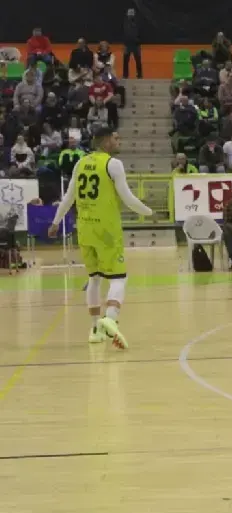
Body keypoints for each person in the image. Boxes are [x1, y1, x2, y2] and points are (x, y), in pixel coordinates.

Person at [48, 128, 153, 348]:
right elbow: (127, 197)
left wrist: (56, 222)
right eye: (116, 138)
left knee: (94, 278)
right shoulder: (112, 164)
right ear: (106, 141)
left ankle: (95, 328)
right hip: (106, 230)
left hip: (85, 228)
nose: (118, 141)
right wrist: (149, 212)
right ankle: (111, 317)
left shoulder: (81, 163)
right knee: (118, 278)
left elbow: (68, 197)